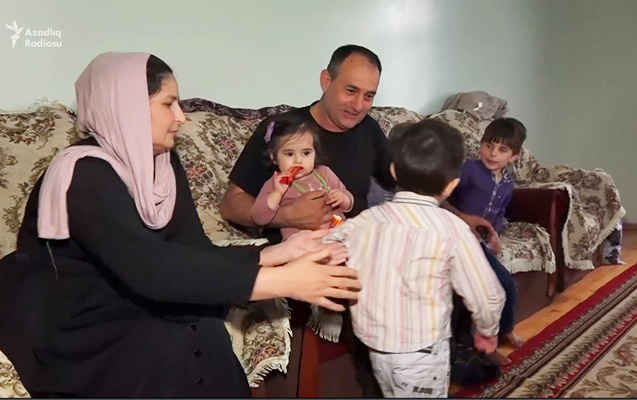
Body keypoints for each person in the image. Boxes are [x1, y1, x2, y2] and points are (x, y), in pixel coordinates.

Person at [0, 52, 362, 397]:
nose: (180, 117)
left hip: (130, 288)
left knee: (204, 329)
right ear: (127, 107)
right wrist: (283, 280)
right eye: (168, 103)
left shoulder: (162, 162)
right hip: (73, 312)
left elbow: (191, 251)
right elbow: (149, 269)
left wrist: (276, 253)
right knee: (165, 345)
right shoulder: (84, 173)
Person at [221, 44, 394, 396]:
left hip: (355, 236)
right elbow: (231, 204)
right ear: (326, 80)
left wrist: (452, 215)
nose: (359, 104)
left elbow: (402, 182)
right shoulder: (284, 131)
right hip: (306, 245)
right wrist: (288, 215)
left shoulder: (369, 130)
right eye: (350, 90)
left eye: (369, 96)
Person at [325, 119, 505, 398]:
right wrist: (487, 330)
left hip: (373, 345)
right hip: (423, 352)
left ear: (393, 171)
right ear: (451, 186)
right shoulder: (452, 229)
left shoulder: (364, 221)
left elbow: (324, 247)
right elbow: (487, 294)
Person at [448, 117, 528, 364]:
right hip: (459, 239)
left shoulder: (508, 182)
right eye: (488, 145)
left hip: (481, 245)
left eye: (502, 149)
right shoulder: (468, 170)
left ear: (514, 156)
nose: (493, 154)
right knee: (500, 288)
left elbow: (500, 213)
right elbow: (441, 198)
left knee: (508, 287)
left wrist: (495, 235)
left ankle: (505, 330)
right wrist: (462, 218)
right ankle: (485, 345)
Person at [251, 112, 354, 240]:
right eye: (289, 154)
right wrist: (277, 194)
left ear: (315, 153)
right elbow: (259, 218)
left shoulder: (325, 172)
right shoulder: (276, 184)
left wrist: (343, 198)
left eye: (306, 153)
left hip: (336, 234)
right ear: (274, 157)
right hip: (301, 242)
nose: (298, 161)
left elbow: (348, 202)